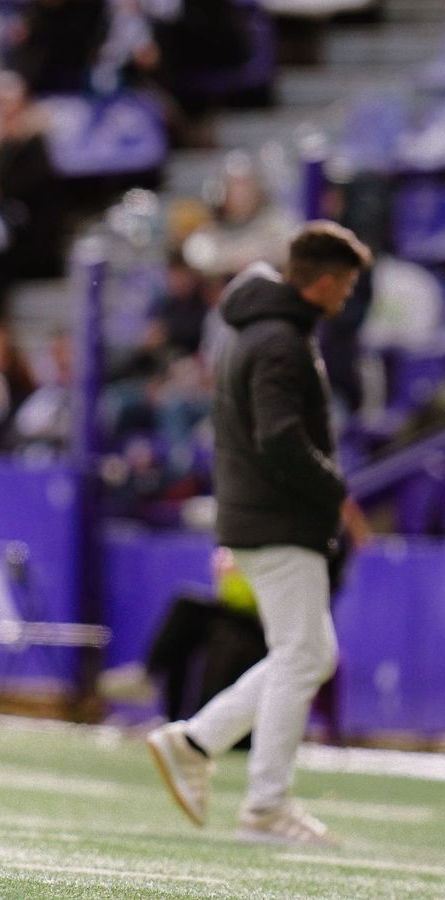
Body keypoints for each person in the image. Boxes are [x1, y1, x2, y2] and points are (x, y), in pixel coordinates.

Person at [146, 221, 372, 847]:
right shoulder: (281, 341)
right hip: (279, 520)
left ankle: (195, 741)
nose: (348, 296)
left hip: (259, 516)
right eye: (347, 284)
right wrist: (333, 487)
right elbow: (279, 436)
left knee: (308, 653)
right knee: (304, 656)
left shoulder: (262, 330)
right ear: (324, 282)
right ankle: (265, 805)